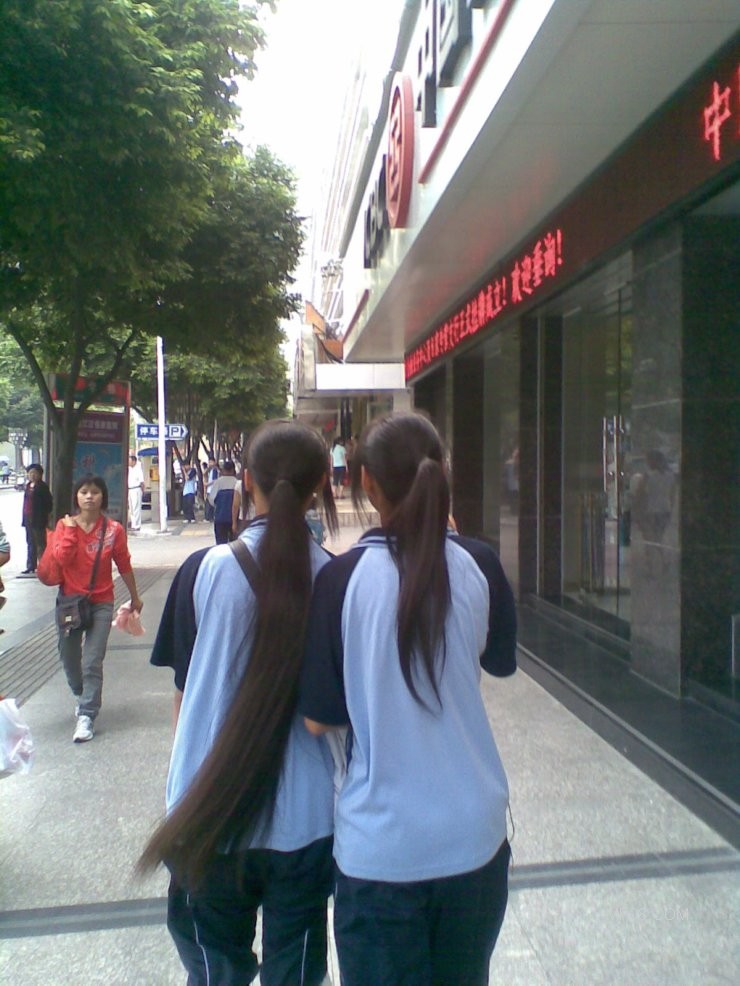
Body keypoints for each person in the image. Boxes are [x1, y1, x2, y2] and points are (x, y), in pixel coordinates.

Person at [299, 411, 517, 986]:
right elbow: (497, 661)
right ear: (440, 471)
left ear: (366, 482)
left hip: (382, 853)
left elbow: (319, 719)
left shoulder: (340, 580)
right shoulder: (480, 563)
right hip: (475, 839)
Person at [140, 419, 339, 986]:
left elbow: (185, 698)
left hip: (209, 814)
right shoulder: (338, 581)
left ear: (246, 480)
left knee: (213, 969)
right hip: (307, 824)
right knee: (297, 971)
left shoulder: (202, 571)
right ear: (322, 484)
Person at [52, 474, 143, 743]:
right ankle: (81, 694)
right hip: (70, 602)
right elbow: (61, 559)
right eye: (84, 492)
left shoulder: (114, 530)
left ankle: (87, 714)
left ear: (103, 496)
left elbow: (124, 564)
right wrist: (70, 531)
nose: (89, 496)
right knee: (68, 656)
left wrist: (135, 597)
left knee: (92, 659)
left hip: (101, 601)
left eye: (95, 492)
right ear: (76, 497)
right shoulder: (64, 526)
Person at [20, 463, 53, 576]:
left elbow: (49, 503)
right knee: (30, 542)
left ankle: (43, 566)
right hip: (28, 517)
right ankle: (30, 566)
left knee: (40, 543)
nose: (32, 475)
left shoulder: (42, 487)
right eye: (30, 473)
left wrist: (45, 517)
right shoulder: (28, 486)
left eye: (35, 473)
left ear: (40, 474)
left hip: (38, 519)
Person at [207, 458, 241, 544]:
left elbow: (211, 499)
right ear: (233, 470)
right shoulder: (237, 483)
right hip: (235, 519)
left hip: (220, 518)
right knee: (234, 545)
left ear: (224, 470)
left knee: (220, 544)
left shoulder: (218, 482)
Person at [127, 453, 145, 532]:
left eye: (130, 461)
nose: (128, 462)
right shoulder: (129, 469)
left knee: (136, 508)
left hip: (136, 489)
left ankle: (137, 525)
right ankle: (133, 524)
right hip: (129, 489)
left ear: (134, 461)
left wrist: (142, 491)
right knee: (131, 508)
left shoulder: (138, 469)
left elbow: (142, 482)